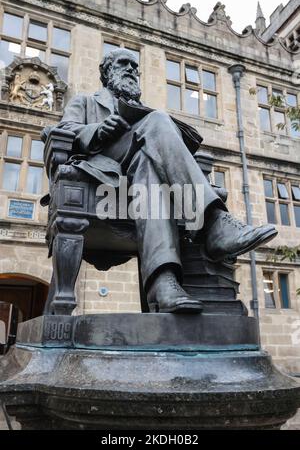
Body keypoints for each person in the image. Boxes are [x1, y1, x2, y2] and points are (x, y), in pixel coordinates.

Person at [57, 48, 277, 314]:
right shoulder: (85, 103)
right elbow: (63, 132)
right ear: (106, 72)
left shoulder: (142, 111)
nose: (131, 69)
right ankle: (213, 221)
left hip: (138, 174)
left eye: (135, 66)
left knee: (149, 171)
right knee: (159, 119)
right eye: (124, 63)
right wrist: (97, 130)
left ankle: (164, 282)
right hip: (103, 170)